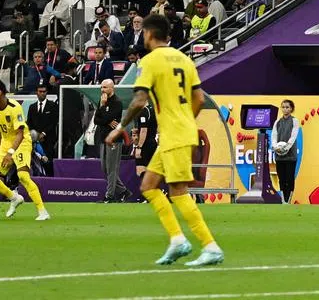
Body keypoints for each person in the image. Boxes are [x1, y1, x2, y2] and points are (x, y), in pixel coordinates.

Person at [104, 14, 223, 266]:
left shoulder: (149, 61)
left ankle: (210, 246)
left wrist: (119, 129)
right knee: (148, 186)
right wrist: (185, 120)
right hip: (176, 132)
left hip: (174, 134)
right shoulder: (184, 59)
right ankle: (177, 240)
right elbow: (199, 99)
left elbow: (139, 100)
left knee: (178, 191)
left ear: (148, 33)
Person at [0, 79, 50, 221]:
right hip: (6, 143)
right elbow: (0, 128)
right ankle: (14, 197)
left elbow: (20, 133)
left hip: (22, 142)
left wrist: (10, 153)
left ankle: (43, 211)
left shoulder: (14, 107)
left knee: (23, 176)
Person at [95, 78, 129, 203]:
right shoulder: (102, 101)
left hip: (114, 139)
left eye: (105, 87)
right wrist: (107, 118)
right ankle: (124, 191)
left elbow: (107, 118)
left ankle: (109, 196)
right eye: (101, 87)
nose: (102, 90)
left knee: (112, 169)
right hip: (103, 138)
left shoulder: (117, 102)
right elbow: (96, 120)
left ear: (112, 88)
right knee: (105, 169)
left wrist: (103, 111)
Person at [270, 99, 299, 204]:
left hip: (290, 156)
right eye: (283, 107)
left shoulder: (294, 121)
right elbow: (273, 136)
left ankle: (288, 199)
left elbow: (293, 136)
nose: (285, 109)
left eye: (287, 107)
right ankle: (283, 200)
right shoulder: (277, 122)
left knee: (290, 178)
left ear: (291, 109)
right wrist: (275, 147)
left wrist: (286, 148)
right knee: (281, 178)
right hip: (279, 156)